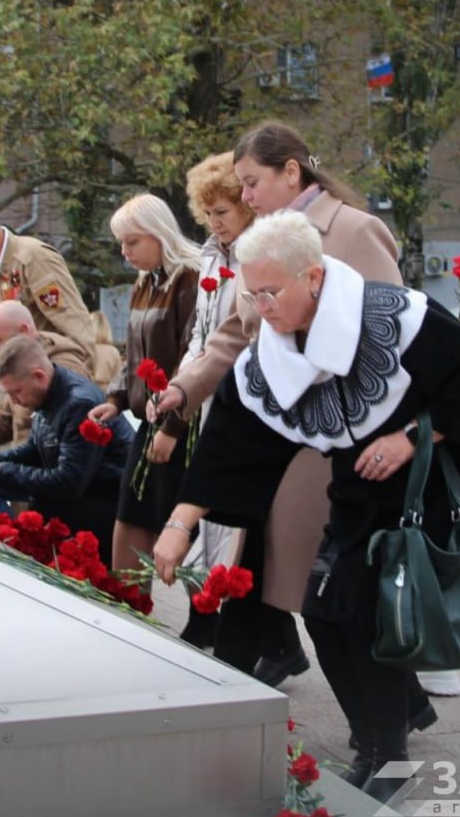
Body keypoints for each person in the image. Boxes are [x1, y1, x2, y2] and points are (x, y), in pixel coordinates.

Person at [151, 211, 460, 801]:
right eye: (252, 292)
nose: (261, 306)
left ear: (312, 278)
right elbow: (231, 444)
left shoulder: (400, 316)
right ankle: (370, 744)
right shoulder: (271, 349)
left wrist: (412, 437)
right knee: (321, 610)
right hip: (357, 491)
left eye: (271, 291)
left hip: (421, 494)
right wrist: (179, 524)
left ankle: (389, 755)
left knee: (369, 615)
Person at [150, 123, 404, 691]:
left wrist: (396, 432)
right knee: (266, 565)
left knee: (309, 582)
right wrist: (186, 388)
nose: (245, 198)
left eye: (252, 182)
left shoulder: (355, 230)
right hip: (268, 426)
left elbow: (392, 337)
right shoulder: (260, 241)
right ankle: (244, 682)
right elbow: (238, 335)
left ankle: (386, 715)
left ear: (292, 171)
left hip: (335, 437)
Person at [86, 194, 200, 623]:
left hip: (179, 419)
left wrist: (173, 423)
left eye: (131, 241)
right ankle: (127, 607)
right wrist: (116, 400)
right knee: (132, 510)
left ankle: (206, 615)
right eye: (121, 243)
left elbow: (195, 355)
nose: (124, 251)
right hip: (151, 417)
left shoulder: (189, 279)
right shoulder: (145, 281)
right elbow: (134, 356)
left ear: (159, 235)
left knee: (179, 517)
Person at [171, 151, 258, 647]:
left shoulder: (255, 253)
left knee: (228, 520)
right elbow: (201, 334)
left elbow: (238, 334)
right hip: (205, 395)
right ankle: (238, 627)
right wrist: (181, 384)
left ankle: (226, 624)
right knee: (212, 517)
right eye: (207, 214)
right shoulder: (209, 254)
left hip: (240, 396)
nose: (213, 223)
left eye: (222, 212)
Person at [0, 336, 133, 554]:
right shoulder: (47, 395)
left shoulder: (78, 404)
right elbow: (35, 449)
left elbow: (68, 482)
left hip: (104, 505)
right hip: (81, 499)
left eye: (16, 392)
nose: (14, 401)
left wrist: (2, 472)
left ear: (39, 376)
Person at [0, 300, 94, 516]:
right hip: (35, 464)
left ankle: (10, 546)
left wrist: (4, 470)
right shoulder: (20, 365)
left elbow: (68, 459)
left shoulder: (61, 368)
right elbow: (5, 418)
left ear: (24, 331)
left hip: (57, 475)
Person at [0, 205, 94, 420]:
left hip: (47, 388)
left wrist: (81, 384)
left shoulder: (33, 258)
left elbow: (72, 321)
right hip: (11, 392)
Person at [89, 310, 123, 393]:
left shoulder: (84, 350)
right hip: (107, 395)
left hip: (86, 392)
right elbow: (118, 380)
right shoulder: (113, 352)